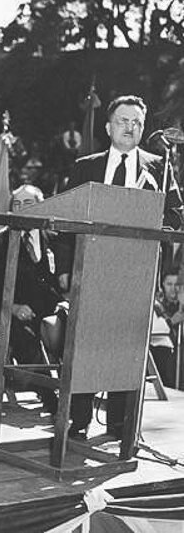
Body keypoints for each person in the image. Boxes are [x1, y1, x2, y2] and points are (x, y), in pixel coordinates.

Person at [58, 95, 184, 439]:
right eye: (123, 120)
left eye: (137, 122)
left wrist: (157, 205)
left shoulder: (158, 166)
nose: (130, 127)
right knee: (86, 345)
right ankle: (79, 419)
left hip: (135, 271)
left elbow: (175, 215)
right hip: (91, 267)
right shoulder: (86, 166)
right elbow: (65, 216)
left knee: (125, 348)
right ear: (108, 126)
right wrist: (65, 269)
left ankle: (118, 423)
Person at [0, 185, 65, 414]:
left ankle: (77, 393)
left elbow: (64, 281)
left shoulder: (57, 239)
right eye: (17, 204)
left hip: (51, 311)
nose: (22, 208)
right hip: (14, 313)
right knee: (22, 333)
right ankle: (49, 393)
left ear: (42, 205)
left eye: (29, 203)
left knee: (73, 327)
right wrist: (14, 307)